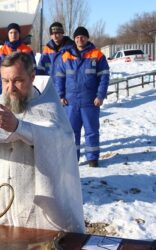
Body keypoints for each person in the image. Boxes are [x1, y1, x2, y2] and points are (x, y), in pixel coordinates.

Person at [0, 52, 85, 232]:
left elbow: (59, 139)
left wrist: (19, 127)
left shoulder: (47, 107)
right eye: (5, 81)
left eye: (18, 80)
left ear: (32, 77)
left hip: (35, 208)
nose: (10, 88)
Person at [54, 27, 110, 167]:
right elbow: (59, 77)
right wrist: (60, 95)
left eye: (83, 37)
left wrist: (100, 95)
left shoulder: (97, 55)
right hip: (70, 102)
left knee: (91, 131)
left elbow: (104, 76)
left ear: (87, 38)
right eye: (77, 37)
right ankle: (73, 158)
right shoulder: (66, 56)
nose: (80, 39)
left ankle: (92, 158)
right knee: (72, 132)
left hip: (90, 101)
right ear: (74, 39)